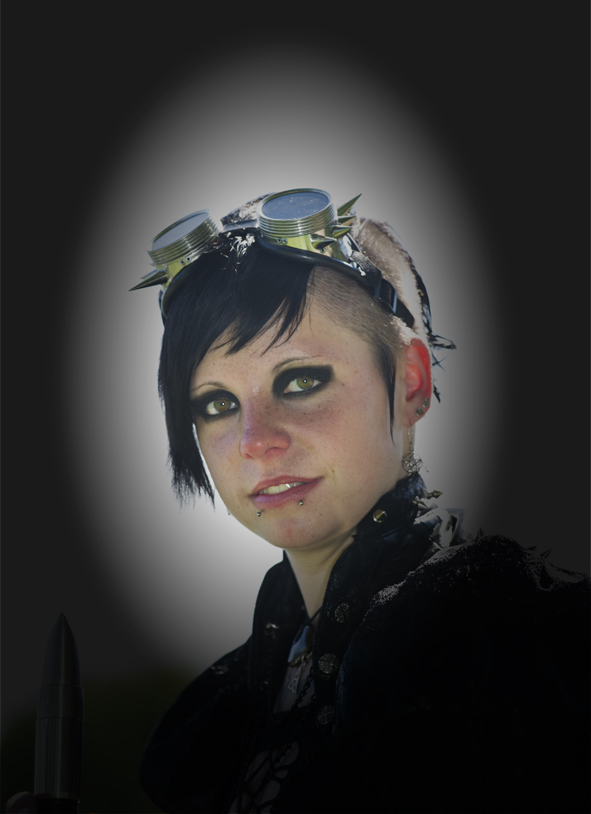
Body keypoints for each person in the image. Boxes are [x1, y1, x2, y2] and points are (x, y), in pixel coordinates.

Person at [7, 188, 588, 814]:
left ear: (410, 381)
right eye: (217, 403)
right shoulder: (210, 732)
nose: (254, 441)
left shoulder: (515, 636)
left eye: (301, 380)